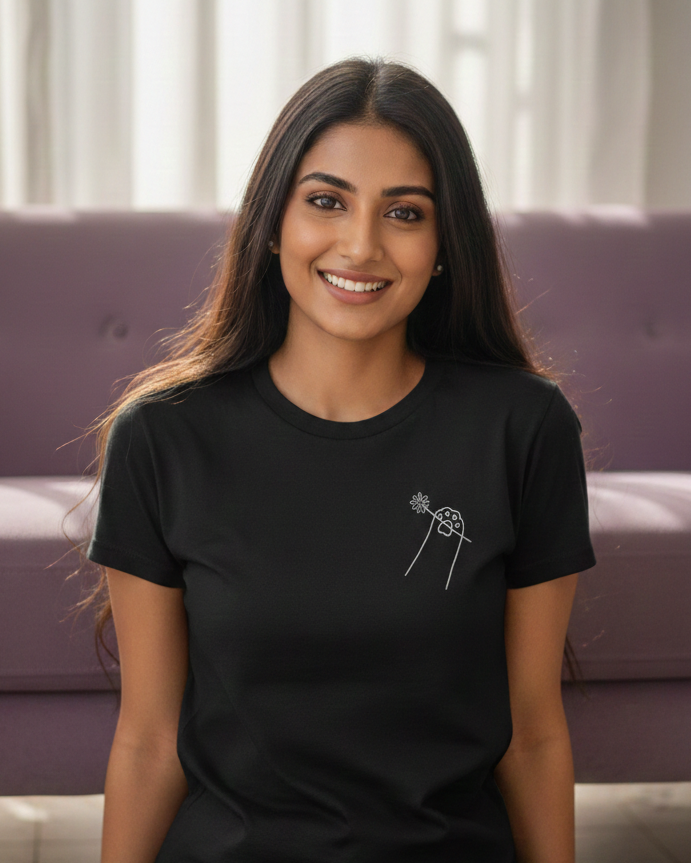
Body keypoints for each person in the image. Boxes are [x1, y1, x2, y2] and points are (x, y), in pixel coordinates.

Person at [84, 56, 596, 863]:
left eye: (404, 212)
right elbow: (149, 741)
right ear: (273, 222)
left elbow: (529, 735)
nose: (360, 246)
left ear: (444, 241)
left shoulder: (523, 429)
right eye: (326, 201)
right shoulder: (162, 436)